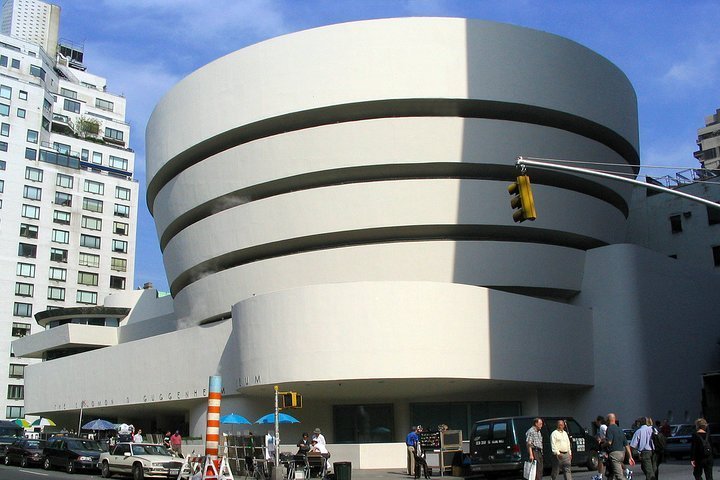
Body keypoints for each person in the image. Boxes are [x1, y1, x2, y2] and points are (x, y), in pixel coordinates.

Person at [605, 413, 635, 480]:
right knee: (610, 474)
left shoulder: (609, 429)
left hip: (614, 454)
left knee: (619, 476)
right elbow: (627, 445)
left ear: (608, 420)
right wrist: (630, 456)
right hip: (622, 453)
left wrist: (603, 444)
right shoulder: (620, 429)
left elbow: (609, 442)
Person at [593, 416, 608, 480]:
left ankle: (600, 476)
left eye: (596, 421)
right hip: (604, 445)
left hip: (605, 446)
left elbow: (607, 436)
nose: (596, 422)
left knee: (600, 460)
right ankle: (600, 475)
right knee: (601, 460)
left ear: (599, 421)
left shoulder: (603, 427)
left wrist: (601, 440)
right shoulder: (601, 428)